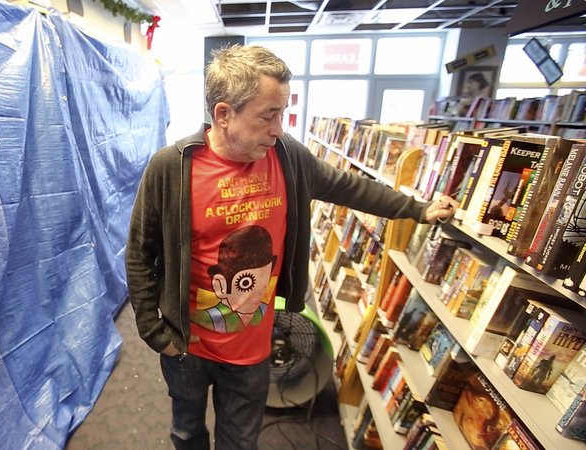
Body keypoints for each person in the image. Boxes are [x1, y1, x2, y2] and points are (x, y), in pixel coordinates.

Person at [124, 44, 458, 450]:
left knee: (240, 441)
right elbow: (140, 252)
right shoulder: (171, 167)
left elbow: (349, 187)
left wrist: (419, 211)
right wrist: (154, 331)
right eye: (269, 115)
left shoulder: (287, 157)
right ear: (224, 114)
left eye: (282, 113)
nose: (279, 128)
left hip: (252, 349)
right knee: (186, 432)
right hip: (186, 347)